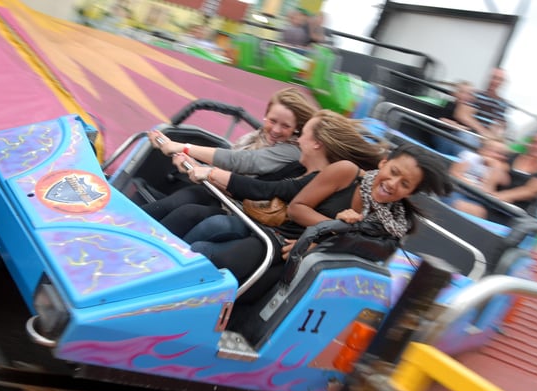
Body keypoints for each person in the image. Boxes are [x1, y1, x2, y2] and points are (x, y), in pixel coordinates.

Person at [190, 142, 452, 285]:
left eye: (405, 184)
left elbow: (368, 251)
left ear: (409, 193)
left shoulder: (395, 223)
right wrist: (333, 226)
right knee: (213, 257)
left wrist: (320, 245)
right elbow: (297, 208)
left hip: (314, 262)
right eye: (394, 172)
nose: (394, 183)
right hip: (284, 241)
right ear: (384, 163)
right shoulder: (346, 172)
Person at [181, 110, 389, 244]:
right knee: (192, 207)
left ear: (316, 143)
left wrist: (209, 171)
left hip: (269, 235)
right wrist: (203, 172)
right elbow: (255, 187)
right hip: (254, 220)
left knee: (213, 225)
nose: (298, 139)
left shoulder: (320, 177)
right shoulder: (297, 167)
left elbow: (266, 190)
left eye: (304, 133)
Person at [139, 87, 317, 230]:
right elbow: (230, 170)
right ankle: (125, 226)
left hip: (247, 209)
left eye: (285, 126)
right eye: (272, 121)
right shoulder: (257, 137)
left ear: (296, 129)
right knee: (178, 199)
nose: (276, 130)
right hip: (225, 194)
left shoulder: (292, 151)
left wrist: (185, 148)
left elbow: (243, 162)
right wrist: (194, 164)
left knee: (188, 213)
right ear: (266, 115)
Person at [452, 129, 537, 218]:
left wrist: (495, 197)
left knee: (460, 205)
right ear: (529, 144)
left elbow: (529, 192)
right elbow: (492, 160)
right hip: (485, 196)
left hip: (507, 209)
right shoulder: (512, 157)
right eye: (536, 142)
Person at [434, 70, 509, 157]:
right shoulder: (476, 95)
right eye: (494, 78)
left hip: (486, 140)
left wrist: (492, 139)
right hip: (470, 135)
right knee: (466, 137)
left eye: (499, 79)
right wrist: (483, 133)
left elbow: (499, 126)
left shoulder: (503, 104)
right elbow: (461, 114)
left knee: (501, 149)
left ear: (503, 82)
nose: (495, 81)